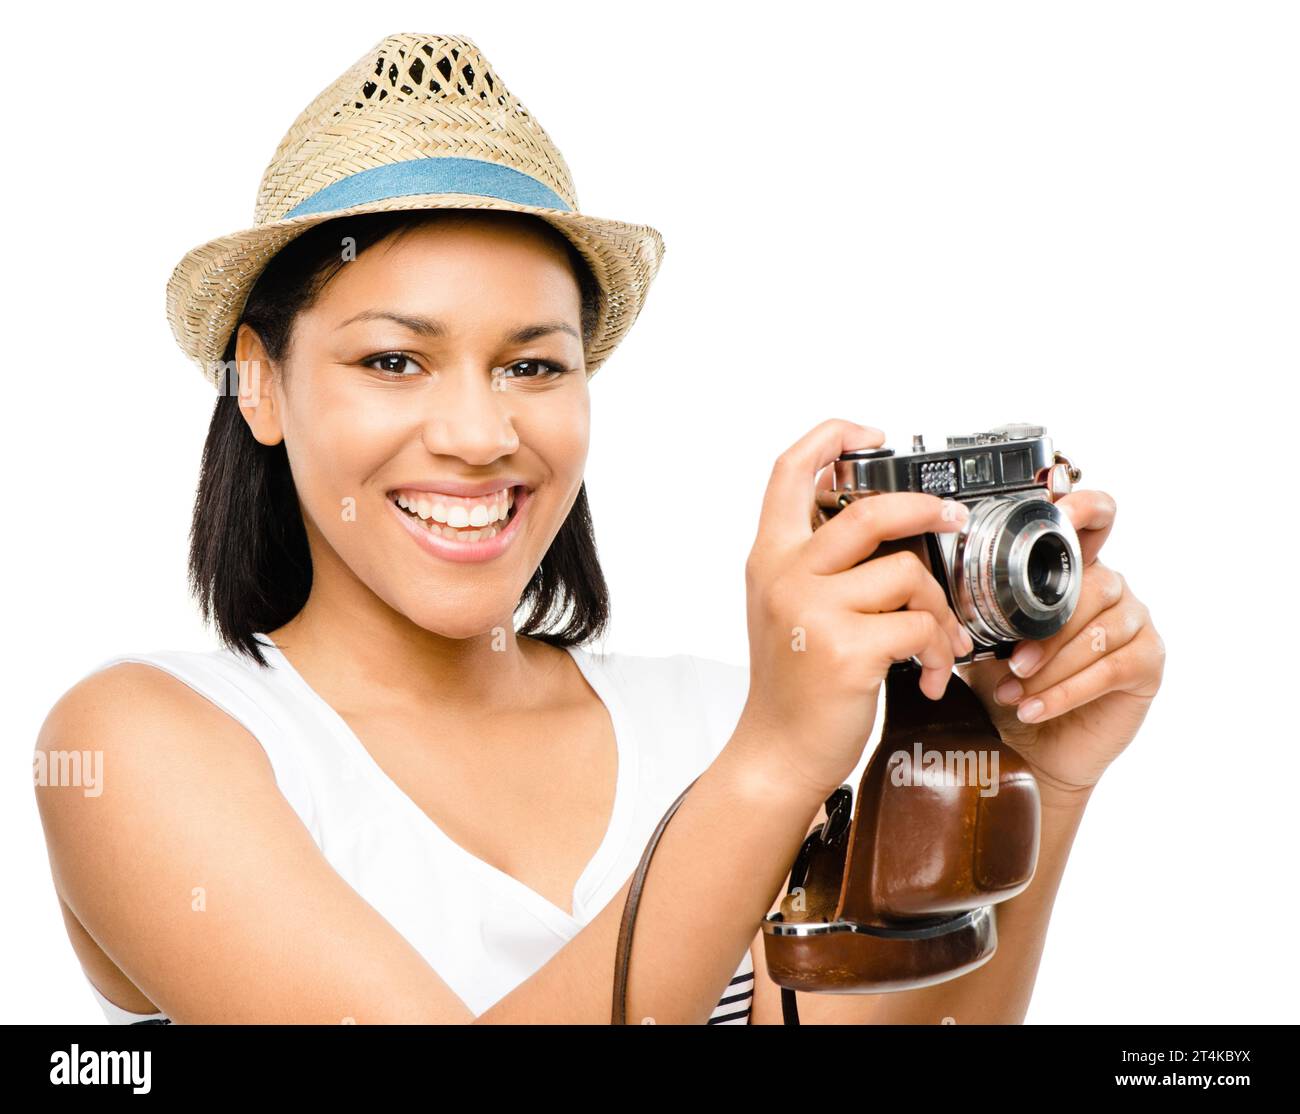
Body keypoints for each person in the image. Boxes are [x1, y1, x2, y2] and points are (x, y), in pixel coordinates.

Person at [33, 32, 1165, 1025]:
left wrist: (1033, 776)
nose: (479, 433)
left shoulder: (719, 719)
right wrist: (770, 768)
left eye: (533, 363)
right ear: (261, 388)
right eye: (393, 359)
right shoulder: (139, 748)